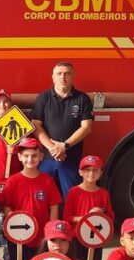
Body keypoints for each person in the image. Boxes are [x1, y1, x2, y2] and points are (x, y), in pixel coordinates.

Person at [32, 62, 94, 197]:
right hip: (46, 159)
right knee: (41, 197)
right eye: (59, 73)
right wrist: (53, 148)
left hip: (71, 159)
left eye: (67, 73)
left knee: (71, 198)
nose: (63, 77)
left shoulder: (83, 99)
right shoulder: (43, 98)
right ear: (53, 77)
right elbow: (36, 126)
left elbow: (86, 127)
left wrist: (65, 146)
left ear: (73, 76)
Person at [1, 137, 61, 260]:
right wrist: (13, 220)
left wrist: (50, 231)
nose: (30, 159)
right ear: (19, 157)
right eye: (26, 155)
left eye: (34, 155)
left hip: (40, 235)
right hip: (19, 234)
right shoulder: (13, 181)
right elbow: (6, 206)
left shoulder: (47, 180)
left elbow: (53, 206)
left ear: (41, 157)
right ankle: (8, 254)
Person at [63, 155, 114, 260]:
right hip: (77, 236)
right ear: (80, 172)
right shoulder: (74, 192)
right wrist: (86, 218)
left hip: (96, 237)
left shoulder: (104, 194)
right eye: (87, 170)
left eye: (95, 170)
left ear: (100, 173)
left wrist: (100, 216)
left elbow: (110, 217)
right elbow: (67, 217)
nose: (91, 173)